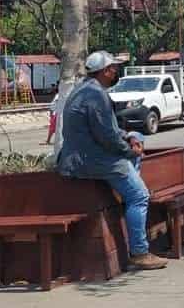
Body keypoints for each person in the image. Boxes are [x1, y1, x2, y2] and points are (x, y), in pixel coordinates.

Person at [56, 51, 167, 270]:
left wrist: (129, 138)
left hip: (82, 155)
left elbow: (112, 130)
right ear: (105, 71)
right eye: (113, 69)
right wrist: (130, 150)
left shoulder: (84, 89)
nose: (116, 72)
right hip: (91, 159)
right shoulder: (96, 95)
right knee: (139, 196)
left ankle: (129, 196)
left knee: (137, 139)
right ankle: (140, 252)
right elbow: (107, 137)